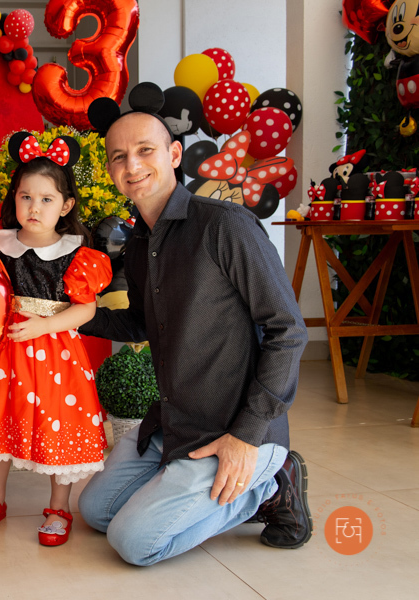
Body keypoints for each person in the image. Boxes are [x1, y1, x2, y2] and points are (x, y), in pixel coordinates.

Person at [76, 98, 311, 566]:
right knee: (95, 511)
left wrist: (246, 435)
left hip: (233, 427)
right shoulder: (138, 245)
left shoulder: (225, 225)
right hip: (173, 423)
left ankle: (271, 480)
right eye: (119, 157)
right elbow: (140, 322)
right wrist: (66, 314)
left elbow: (287, 330)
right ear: (110, 169)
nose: (132, 165)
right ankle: (186, 484)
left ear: (174, 154)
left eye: (145, 150)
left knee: (134, 543)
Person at [0, 132, 112, 546]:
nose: (34, 208)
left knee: (57, 427)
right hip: (1, 352)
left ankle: (58, 506)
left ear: (66, 205)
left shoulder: (76, 253)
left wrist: (42, 326)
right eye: (26, 197)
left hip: (55, 355)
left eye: (46, 199)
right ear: (13, 199)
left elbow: (86, 309)